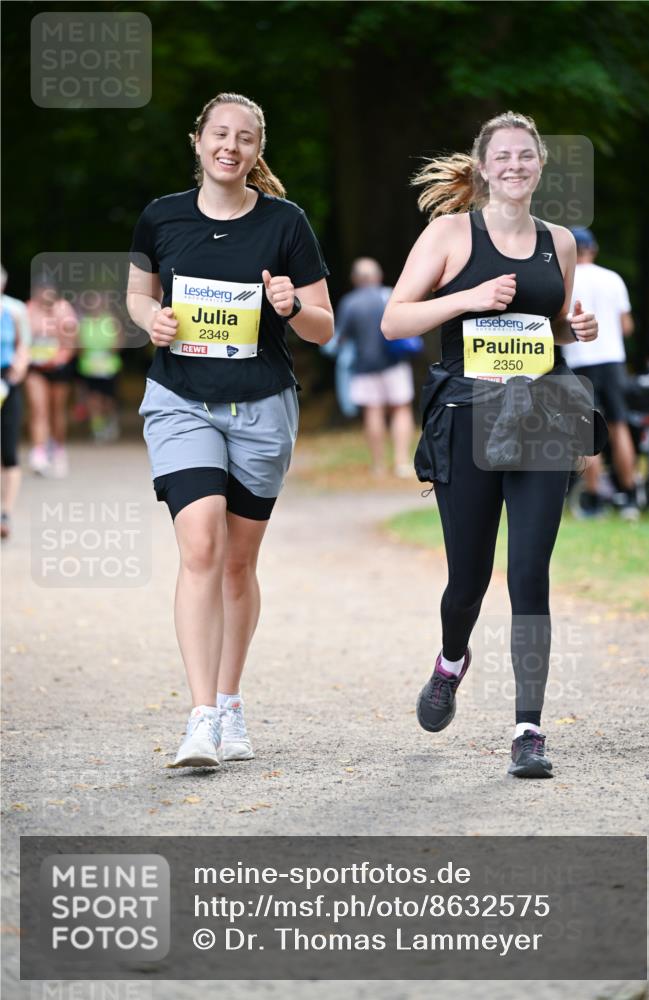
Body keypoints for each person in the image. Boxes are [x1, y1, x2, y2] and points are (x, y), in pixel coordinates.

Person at [381, 111, 599, 779]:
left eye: (524, 157)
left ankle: (528, 729)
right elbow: (396, 319)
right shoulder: (449, 233)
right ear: (481, 167)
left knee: (529, 575)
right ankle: (450, 661)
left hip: (539, 416)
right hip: (468, 419)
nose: (512, 166)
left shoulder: (556, 241)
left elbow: (545, 328)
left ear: (538, 166)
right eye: (500, 156)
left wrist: (573, 328)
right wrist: (466, 297)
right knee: (469, 580)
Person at [127, 92, 333, 770]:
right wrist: (149, 320)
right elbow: (137, 292)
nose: (230, 146)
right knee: (201, 543)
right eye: (220, 133)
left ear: (256, 149)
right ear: (198, 140)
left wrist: (292, 302)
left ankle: (231, 699)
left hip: (261, 406)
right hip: (181, 399)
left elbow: (322, 326)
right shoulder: (161, 216)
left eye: (244, 138)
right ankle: (200, 717)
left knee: (239, 565)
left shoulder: (285, 223)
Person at [561, 228, 638, 520]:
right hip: (613, 361)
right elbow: (626, 327)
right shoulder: (613, 278)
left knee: (587, 430)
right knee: (619, 427)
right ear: (592, 248)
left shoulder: (567, 280)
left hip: (581, 361)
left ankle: (593, 498)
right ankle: (629, 495)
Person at [336, 257, 416, 476]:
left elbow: (339, 339)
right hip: (395, 363)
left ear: (355, 279)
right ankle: (402, 462)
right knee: (401, 408)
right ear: (378, 277)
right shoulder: (390, 297)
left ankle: (378, 465)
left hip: (364, 367)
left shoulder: (349, 303)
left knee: (373, 411)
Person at [25, 277, 78, 477]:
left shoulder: (64, 309)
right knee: (39, 409)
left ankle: (58, 449)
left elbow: (72, 340)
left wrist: (60, 357)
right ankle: (38, 453)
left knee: (57, 411)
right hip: (35, 367)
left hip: (59, 366)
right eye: (41, 290)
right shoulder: (28, 309)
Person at [1, 266, 32, 540]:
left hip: (6, 382)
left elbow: (25, 346)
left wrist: (17, 372)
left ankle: (5, 513)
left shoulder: (15, 310)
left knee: (8, 452)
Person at [76, 290, 123, 442]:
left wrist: (109, 350)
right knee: (93, 400)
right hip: (89, 367)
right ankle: (98, 429)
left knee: (108, 401)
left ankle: (110, 422)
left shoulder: (111, 321)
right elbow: (78, 344)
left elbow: (119, 341)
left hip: (109, 367)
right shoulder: (84, 322)